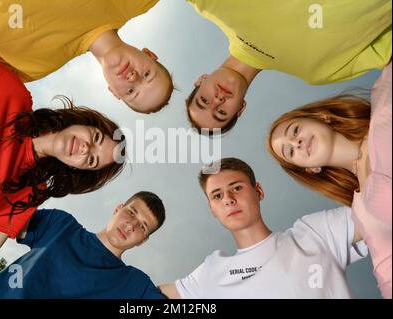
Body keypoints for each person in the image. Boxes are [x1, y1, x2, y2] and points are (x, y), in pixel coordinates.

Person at [0, 0, 126, 296]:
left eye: (91, 160)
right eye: (94, 137)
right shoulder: (11, 96)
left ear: (79, 171)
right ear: (84, 121)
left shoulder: (26, 197)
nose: (84, 149)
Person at [267, 63, 392, 298]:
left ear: (321, 117)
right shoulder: (362, 211)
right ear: (311, 169)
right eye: (290, 152)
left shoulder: (384, 95)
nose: (297, 143)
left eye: (295, 131)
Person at [159, 157, 367, 298]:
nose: (228, 200)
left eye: (237, 188)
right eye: (217, 196)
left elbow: (378, 208)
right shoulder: (211, 271)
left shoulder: (314, 234)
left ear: (258, 191)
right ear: (212, 208)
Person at [185, 0, 392, 134]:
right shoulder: (318, 71)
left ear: (201, 80)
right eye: (221, 112)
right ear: (240, 109)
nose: (218, 101)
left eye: (204, 100)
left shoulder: (212, 5)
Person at [0, 0, 174, 113]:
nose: (133, 78)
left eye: (131, 92)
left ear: (114, 92)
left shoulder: (33, 67)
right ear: (149, 54)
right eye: (147, 75)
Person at [0, 191, 166, 299]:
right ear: (118, 209)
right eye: (131, 212)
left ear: (143, 240)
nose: (131, 226)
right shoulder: (61, 225)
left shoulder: (135, 283)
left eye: (143, 227)